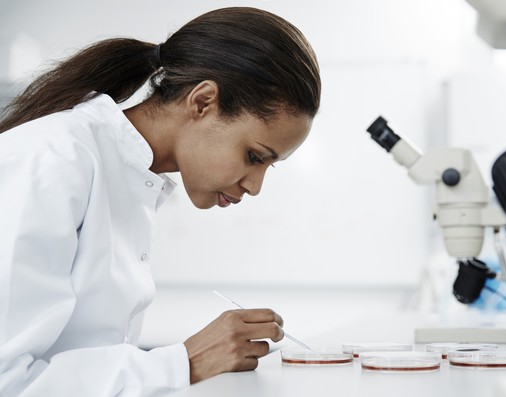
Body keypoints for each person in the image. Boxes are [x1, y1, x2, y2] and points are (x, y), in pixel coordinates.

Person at [0, 6, 321, 396]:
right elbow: (9, 382)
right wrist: (186, 361)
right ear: (202, 102)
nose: (255, 186)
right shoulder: (51, 159)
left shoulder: (134, 177)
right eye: (255, 157)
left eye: (271, 166)